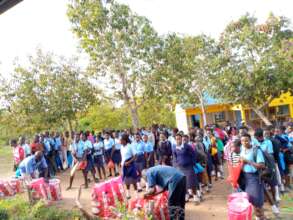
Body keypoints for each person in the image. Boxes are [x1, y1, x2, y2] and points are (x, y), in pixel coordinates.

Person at [240, 133, 266, 220]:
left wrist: (248, 161)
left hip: (255, 178)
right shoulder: (242, 150)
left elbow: (261, 165)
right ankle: (258, 217)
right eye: (243, 141)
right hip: (246, 178)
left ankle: (261, 217)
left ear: (250, 140)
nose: (245, 142)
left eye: (246, 140)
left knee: (257, 200)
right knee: (250, 199)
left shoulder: (256, 150)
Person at [173, 134, 201, 204]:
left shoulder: (187, 146)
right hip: (180, 168)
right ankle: (186, 195)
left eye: (179, 138)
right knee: (183, 182)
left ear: (181, 139)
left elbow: (194, 154)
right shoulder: (174, 148)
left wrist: (193, 162)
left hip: (189, 167)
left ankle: (195, 197)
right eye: (176, 139)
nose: (178, 140)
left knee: (191, 182)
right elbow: (175, 157)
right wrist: (176, 166)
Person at [120, 134, 139, 199]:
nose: (120, 142)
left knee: (133, 180)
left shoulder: (130, 146)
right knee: (126, 180)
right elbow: (122, 157)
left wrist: (129, 162)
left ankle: (136, 194)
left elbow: (135, 155)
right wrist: (122, 164)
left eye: (121, 140)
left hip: (130, 165)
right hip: (124, 165)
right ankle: (128, 194)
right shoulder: (121, 147)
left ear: (125, 141)